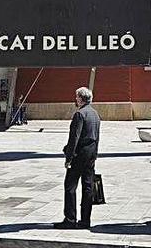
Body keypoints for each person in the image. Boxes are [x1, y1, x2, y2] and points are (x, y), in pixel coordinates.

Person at [54, 87, 100, 230]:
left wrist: (69, 157)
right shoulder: (95, 114)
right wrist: (95, 154)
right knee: (87, 186)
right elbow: (97, 136)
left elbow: (75, 137)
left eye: (77, 97)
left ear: (81, 98)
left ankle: (70, 218)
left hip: (79, 154)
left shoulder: (80, 114)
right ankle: (85, 220)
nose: (75, 99)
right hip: (91, 153)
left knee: (70, 186)